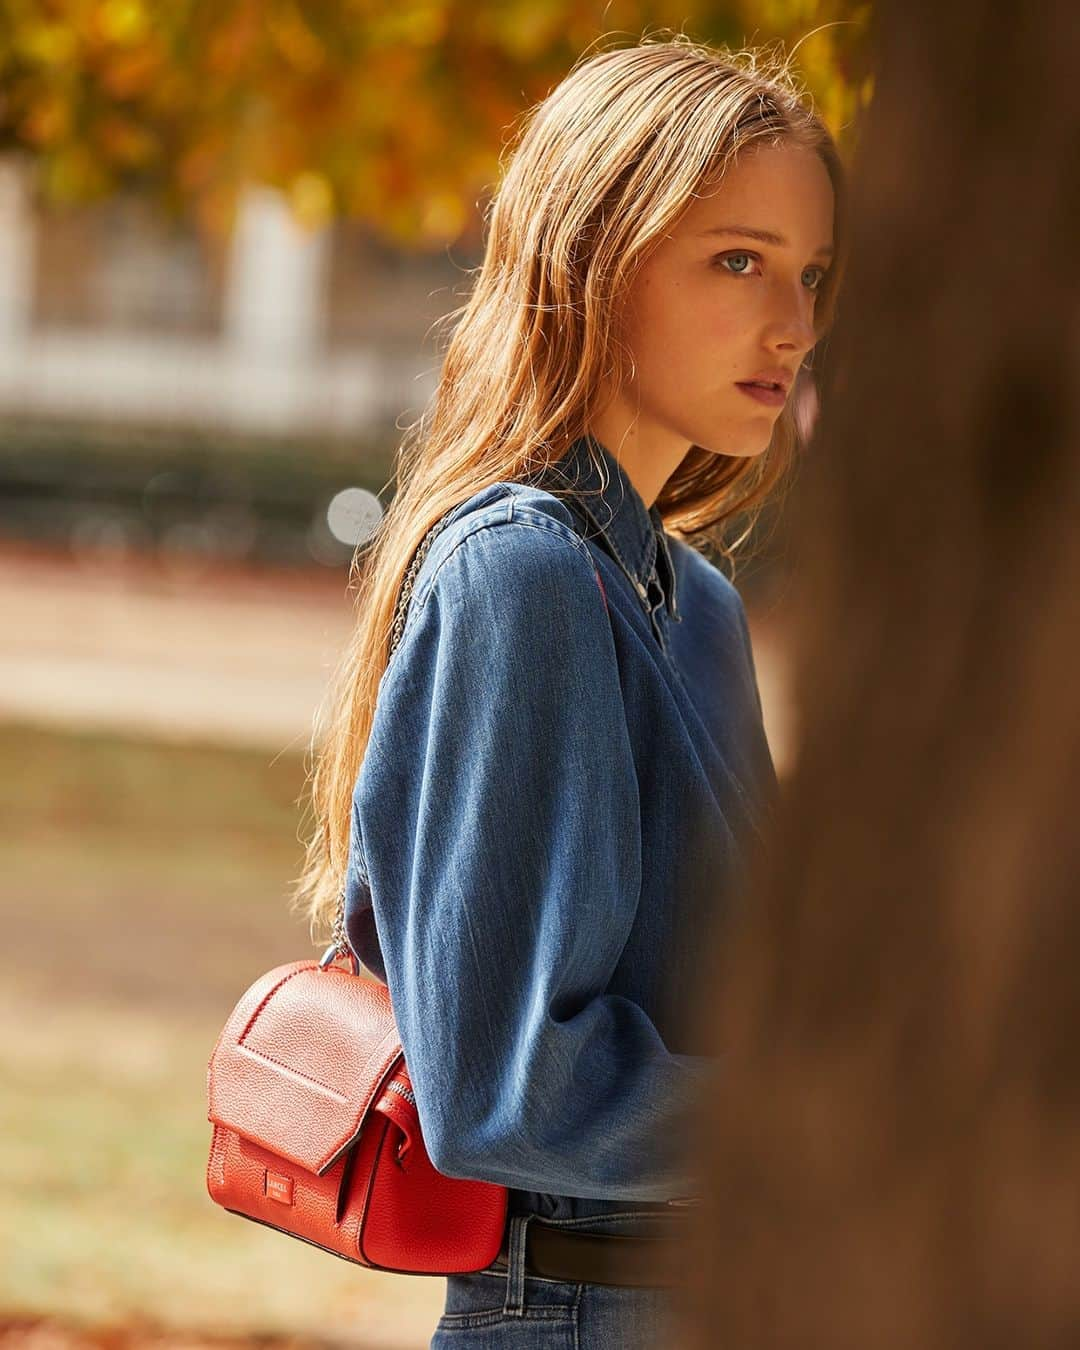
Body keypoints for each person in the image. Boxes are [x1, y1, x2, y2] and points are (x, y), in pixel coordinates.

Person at [291, 33, 845, 1350]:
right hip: (578, 1309)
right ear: (596, 260)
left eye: (811, 274)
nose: (794, 324)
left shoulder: (692, 601)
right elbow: (508, 1089)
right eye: (738, 260)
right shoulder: (523, 576)